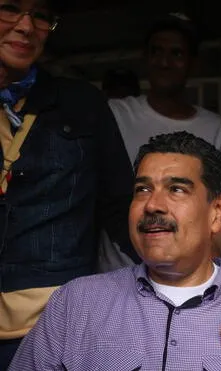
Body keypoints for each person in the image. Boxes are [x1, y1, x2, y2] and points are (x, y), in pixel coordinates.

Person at [8, 131, 221, 371]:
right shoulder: (76, 305)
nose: (153, 205)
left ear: (217, 211)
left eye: (176, 189)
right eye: (142, 189)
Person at [0, 0, 134, 368]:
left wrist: (188, 275)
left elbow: (120, 205)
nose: (26, 26)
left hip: (51, 324)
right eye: (10, 8)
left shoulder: (81, 103)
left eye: (40, 15)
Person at [108, 13, 221, 164]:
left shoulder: (213, 128)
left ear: (193, 64)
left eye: (176, 53)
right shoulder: (116, 114)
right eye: (157, 51)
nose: (164, 62)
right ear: (145, 58)